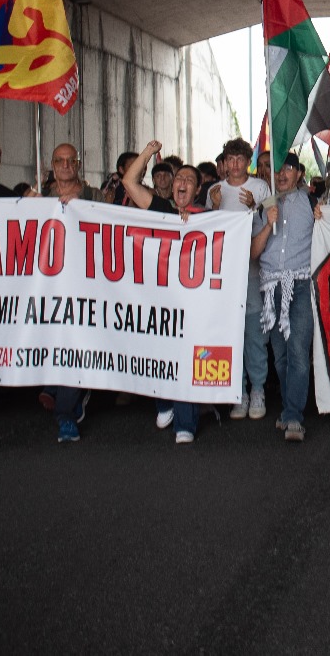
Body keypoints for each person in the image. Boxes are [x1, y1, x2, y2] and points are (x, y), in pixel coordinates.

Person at [121, 150, 210, 444]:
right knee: (158, 353)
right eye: (178, 178)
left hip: (190, 302)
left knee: (185, 357)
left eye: (189, 180)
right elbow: (129, 182)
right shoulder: (160, 208)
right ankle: (164, 402)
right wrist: (147, 151)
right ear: (172, 187)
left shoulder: (209, 219)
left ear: (197, 190)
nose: (182, 182)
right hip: (157, 299)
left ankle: (185, 422)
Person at [40, 143, 105, 442]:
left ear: (78, 164)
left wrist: (85, 207)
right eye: (59, 161)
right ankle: (70, 396)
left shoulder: (94, 196)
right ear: (52, 165)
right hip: (49, 288)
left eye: (71, 160)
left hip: (86, 285)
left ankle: (65, 414)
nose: (65, 165)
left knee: (74, 349)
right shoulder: (39, 199)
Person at [254, 155, 317, 443]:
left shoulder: (313, 204)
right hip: (270, 287)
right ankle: (290, 409)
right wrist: (268, 224)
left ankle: (293, 416)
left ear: (299, 173)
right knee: (280, 356)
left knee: (299, 354)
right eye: (277, 169)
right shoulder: (261, 207)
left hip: (301, 285)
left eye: (288, 169)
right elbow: (253, 253)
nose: (281, 174)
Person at [211, 138, 274, 420]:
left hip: (253, 272)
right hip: (223, 277)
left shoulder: (261, 188)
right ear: (224, 163)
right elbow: (206, 232)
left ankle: (258, 388)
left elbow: (276, 218)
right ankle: (239, 390)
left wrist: (255, 207)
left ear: (248, 161)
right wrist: (212, 208)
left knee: (254, 334)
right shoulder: (215, 191)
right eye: (230, 159)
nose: (235, 164)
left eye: (240, 159)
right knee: (229, 333)